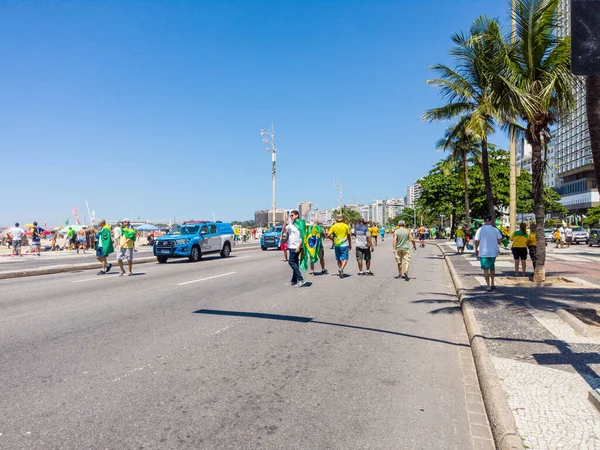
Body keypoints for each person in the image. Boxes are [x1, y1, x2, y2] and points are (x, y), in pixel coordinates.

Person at [474, 215, 503, 291]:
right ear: (490, 221)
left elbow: (476, 241)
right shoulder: (495, 230)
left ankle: (488, 285)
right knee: (492, 267)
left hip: (483, 251)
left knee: (485, 269)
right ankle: (493, 283)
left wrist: (476, 249)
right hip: (493, 251)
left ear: (484, 221)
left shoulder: (480, 230)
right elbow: (500, 241)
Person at [327, 214, 352, 279]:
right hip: (344, 244)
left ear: (336, 219)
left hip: (337, 245)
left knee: (338, 258)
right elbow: (349, 236)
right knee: (345, 258)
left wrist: (333, 240)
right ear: (342, 219)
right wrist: (350, 244)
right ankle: (341, 269)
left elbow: (328, 235)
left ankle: (340, 272)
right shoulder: (346, 226)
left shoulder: (334, 226)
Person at [285, 210, 306, 287]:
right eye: (290, 216)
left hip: (297, 246)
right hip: (291, 246)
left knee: (291, 262)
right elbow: (284, 231)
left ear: (297, 215)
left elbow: (303, 236)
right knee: (295, 263)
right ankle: (294, 280)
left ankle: (300, 279)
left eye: (292, 215)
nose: (291, 217)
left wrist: (299, 246)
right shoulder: (291, 224)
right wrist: (285, 221)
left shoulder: (301, 223)